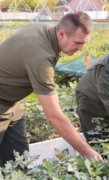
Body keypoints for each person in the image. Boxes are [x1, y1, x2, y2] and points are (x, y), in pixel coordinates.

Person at [0, 11, 103, 167]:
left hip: (11, 103)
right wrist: (88, 152)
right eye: (77, 42)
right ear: (62, 34)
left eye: (84, 43)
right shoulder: (41, 58)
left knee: (19, 163)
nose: (81, 48)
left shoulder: (45, 30)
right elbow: (54, 115)